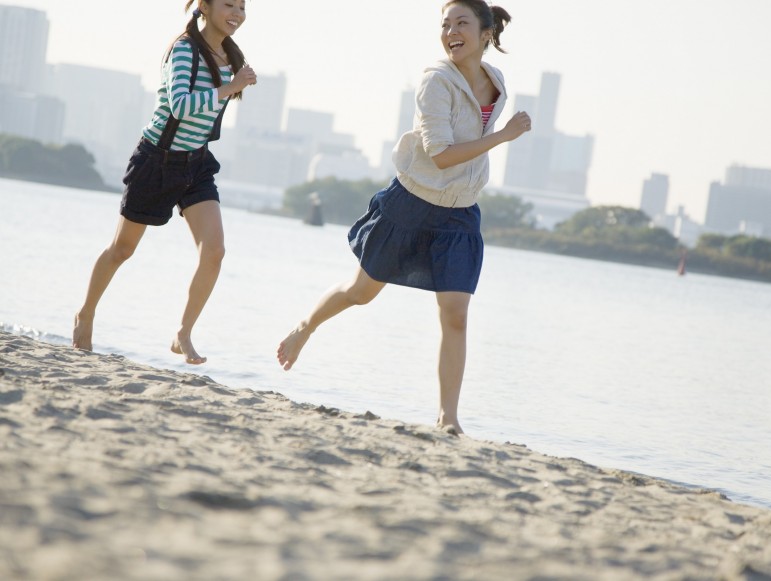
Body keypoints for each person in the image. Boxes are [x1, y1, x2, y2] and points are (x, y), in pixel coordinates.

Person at [277, 0, 532, 434]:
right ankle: (305, 326)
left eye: (461, 23)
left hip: (460, 212)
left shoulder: (497, 81)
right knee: (361, 292)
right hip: (413, 200)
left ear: (486, 32)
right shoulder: (435, 81)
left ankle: (447, 418)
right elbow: (442, 154)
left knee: (456, 313)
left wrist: (497, 139)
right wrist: (504, 137)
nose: (451, 31)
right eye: (445, 24)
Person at [72, 0, 256, 364]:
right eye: (228, 4)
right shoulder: (184, 49)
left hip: (197, 163)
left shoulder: (232, 55)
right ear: (204, 6)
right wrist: (230, 86)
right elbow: (179, 106)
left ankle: (182, 333)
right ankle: (86, 314)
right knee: (122, 249)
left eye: (242, 6)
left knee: (214, 252)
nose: (237, 12)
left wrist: (236, 81)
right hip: (157, 159)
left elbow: (209, 112)